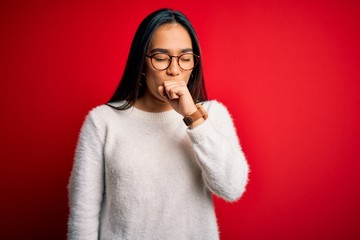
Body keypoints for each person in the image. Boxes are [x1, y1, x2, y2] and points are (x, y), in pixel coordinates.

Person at [68, 8, 249, 240]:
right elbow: (83, 214)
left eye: (185, 59)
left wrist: (193, 117)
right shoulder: (102, 121)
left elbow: (231, 188)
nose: (174, 70)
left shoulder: (211, 115)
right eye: (161, 58)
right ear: (141, 64)